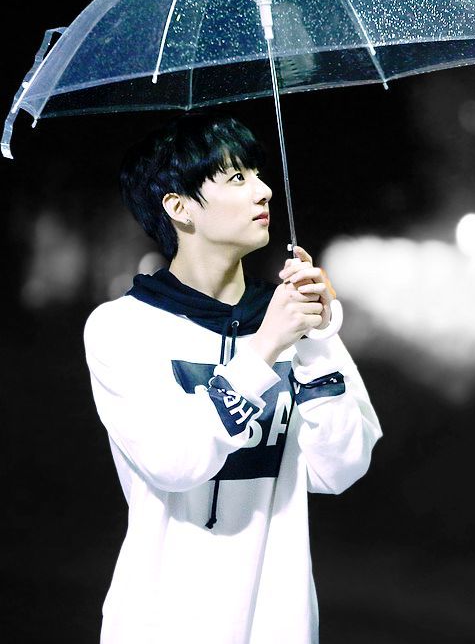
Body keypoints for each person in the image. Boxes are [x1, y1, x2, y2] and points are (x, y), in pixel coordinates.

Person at [83, 113, 382, 644]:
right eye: (237, 178)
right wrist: (264, 349)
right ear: (178, 207)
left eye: (258, 175)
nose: (263, 191)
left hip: (279, 624)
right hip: (160, 625)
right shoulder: (121, 327)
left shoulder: (289, 319)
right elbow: (176, 462)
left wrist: (313, 339)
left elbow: (340, 468)